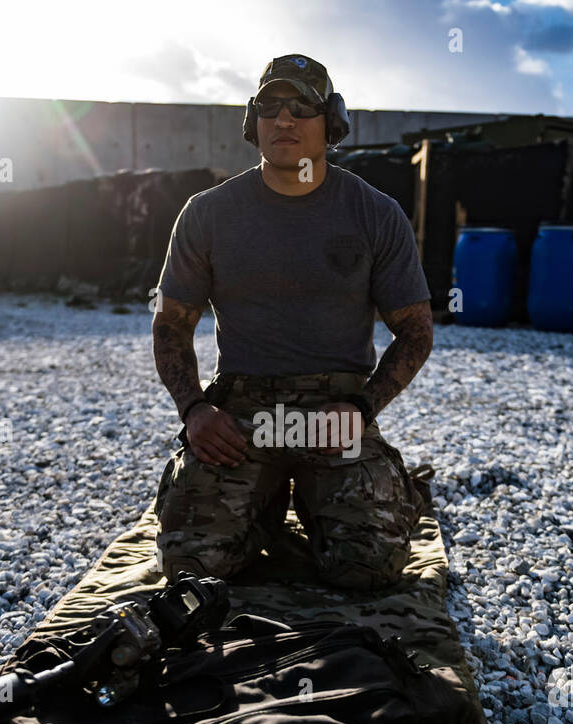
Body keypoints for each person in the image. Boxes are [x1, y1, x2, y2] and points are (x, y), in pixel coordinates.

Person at [151, 53, 433, 590]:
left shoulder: (375, 213)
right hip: (241, 412)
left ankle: (330, 495)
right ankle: (264, 502)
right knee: (193, 569)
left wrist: (361, 409)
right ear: (252, 123)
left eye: (302, 107)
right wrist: (194, 411)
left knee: (368, 567)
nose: (284, 120)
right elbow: (171, 325)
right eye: (270, 107)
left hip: (335, 413)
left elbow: (416, 331)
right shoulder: (207, 213)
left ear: (331, 123)